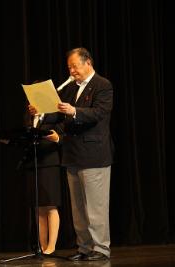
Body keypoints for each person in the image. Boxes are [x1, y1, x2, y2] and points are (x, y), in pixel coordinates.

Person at [29, 47, 114, 261]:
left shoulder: (102, 85)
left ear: (88, 63)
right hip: (73, 154)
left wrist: (74, 111)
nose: (72, 71)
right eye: (69, 67)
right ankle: (84, 247)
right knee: (78, 208)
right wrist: (40, 112)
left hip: (94, 155)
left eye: (75, 66)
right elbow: (58, 114)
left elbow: (99, 113)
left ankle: (100, 249)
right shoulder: (70, 89)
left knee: (95, 206)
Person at [23, 110, 62, 255]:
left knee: (50, 205)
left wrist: (57, 137)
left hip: (49, 162)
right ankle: (42, 246)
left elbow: (62, 135)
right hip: (33, 163)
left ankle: (51, 246)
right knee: (38, 207)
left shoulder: (55, 114)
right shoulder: (29, 115)